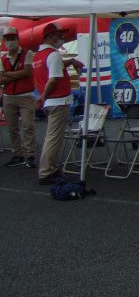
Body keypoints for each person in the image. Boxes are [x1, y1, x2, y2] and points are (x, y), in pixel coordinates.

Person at [33, 22, 82, 186]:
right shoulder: (53, 54)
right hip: (58, 99)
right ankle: (46, 171)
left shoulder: (38, 55)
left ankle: (51, 168)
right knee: (53, 138)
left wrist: (69, 62)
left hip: (50, 101)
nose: (62, 38)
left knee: (52, 136)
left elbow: (51, 72)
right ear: (51, 36)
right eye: (59, 35)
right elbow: (53, 79)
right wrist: (43, 96)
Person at [0, 26, 37, 168]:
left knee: (28, 125)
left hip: (26, 95)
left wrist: (8, 74)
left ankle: (30, 154)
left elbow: (27, 72)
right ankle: (18, 154)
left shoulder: (27, 53)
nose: (10, 41)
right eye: (7, 38)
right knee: (12, 127)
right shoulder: (3, 58)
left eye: (12, 38)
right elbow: (0, 80)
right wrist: (17, 74)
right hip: (9, 96)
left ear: (18, 38)